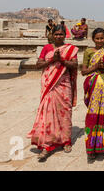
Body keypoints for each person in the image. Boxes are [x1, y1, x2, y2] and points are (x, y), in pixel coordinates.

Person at [28, 25, 79, 162]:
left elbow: (75, 65)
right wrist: (52, 59)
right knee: (48, 113)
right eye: (56, 34)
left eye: (61, 34)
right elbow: (38, 65)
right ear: (52, 35)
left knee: (65, 112)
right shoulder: (47, 48)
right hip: (49, 85)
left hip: (64, 85)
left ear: (65, 35)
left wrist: (61, 60)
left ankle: (66, 141)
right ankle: (47, 143)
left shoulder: (70, 49)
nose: (58, 37)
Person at [82, 28, 104, 162]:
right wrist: (96, 66)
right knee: (92, 116)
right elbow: (83, 72)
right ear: (93, 39)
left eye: (102, 38)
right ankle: (91, 148)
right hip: (93, 85)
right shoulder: (88, 52)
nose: (99, 41)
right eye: (97, 38)